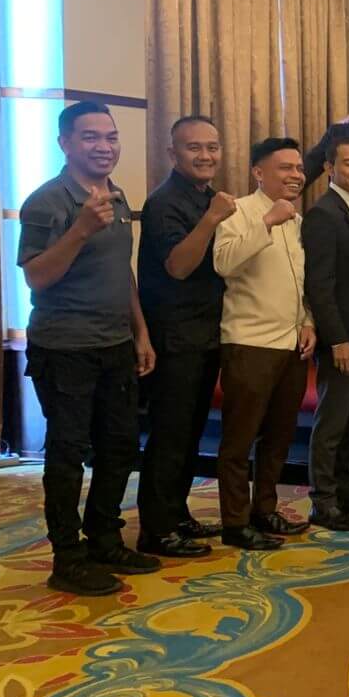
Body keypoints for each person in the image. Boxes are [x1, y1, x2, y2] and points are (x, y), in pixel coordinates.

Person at [19, 101, 160, 595]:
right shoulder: (47, 202)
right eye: (91, 137)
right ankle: (67, 558)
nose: (104, 146)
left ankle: (104, 539)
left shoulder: (117, 197)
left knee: (120, 447)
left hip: (115, 344)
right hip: (64, 348)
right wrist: (79, 230)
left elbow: (121, 273)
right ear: (65, 143)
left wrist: (140, 332)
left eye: (111, 137)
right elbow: (36, 278)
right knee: (68, 453)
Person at [212, 137, 316, 551]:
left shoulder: (297, 219)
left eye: (299, 168)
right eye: (285, 168)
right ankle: (235, 523)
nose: (296, 175)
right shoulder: (238, 212)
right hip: (249, 342)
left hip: (291, 344)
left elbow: (299, 283)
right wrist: (267, 222)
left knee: (278, 437)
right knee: (239, 440)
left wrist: (308, 321)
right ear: (258, 172)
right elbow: (224, 262)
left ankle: (265, 509)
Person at [134, 115, 231, 558]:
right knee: (169, 435)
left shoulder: (208, 197)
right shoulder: (164, 202)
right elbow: (178, 266)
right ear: (173, 153)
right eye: (195, 148)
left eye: (212, 147)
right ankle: (155, 530)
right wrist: (211, 220)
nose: (206, 155)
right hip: (174, 338)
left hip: (206, 333)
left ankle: (176, 512)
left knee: (191, 433)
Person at [302, 138, 349, 532]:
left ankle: (346, 491)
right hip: (342, 340)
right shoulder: (323, 214)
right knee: (331, 423)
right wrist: (337, 339)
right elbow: (320, 285)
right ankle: (323, 501)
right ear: (330, 169)